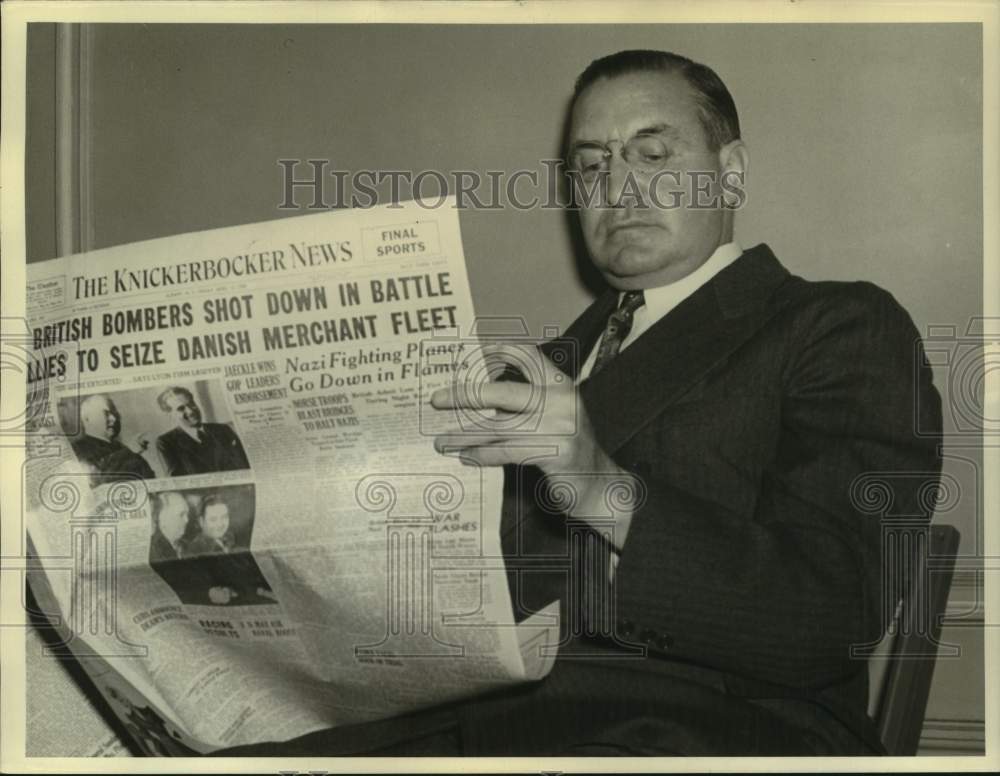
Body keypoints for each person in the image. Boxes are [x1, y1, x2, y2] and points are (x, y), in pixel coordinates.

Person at [217, 49, 942, 757]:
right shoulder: (536, 369)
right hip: (471, 718)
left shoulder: (835, 325)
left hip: (705, 729)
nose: (618, 189)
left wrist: (602, 487)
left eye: (652, 156)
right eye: (593, 166)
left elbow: (830, 614)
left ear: (731, 172)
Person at [155, 387, 250, 476]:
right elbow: (177, 480)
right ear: (170, 415)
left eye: (191, 404)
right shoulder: (166, 442)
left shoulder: (223, 430)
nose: (190, 411)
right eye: (181, 409)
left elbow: (245, 465)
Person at [70, 394, 155, 486]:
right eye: (106, 414)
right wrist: (128, 451)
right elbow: (96, 481)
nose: (113, 419)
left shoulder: (121, 447)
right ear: (87, 419)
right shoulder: (76, 449)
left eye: (115, 414)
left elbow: (150, 477)